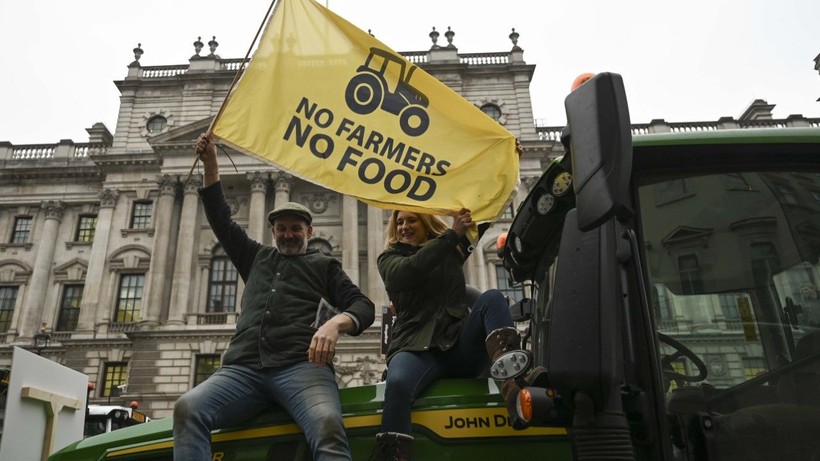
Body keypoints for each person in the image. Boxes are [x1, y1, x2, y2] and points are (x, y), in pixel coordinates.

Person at [173, 133, 375, 461]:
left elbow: (362, 305)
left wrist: (335, 324)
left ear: (309, 232)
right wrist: (211, 164)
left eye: (296, 228)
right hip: (242, 369)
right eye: (281, 228)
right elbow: (220, 219)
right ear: (273, 232)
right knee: (188, 408)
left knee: (327, 425)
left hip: (302, 368)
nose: (288, 233)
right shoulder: (255, 256)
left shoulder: (324, 265)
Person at [373, 209, 521, 460]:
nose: (404, 226)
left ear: (426, 221)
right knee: (397, 384)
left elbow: (482, 217)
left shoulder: (453, 248)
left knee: (492, 298)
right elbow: (411, 270)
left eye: (411, 220)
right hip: (415, 347)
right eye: (399, 222)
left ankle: (513, 385)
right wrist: (452, 234)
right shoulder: (389, 258)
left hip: (457, 343)